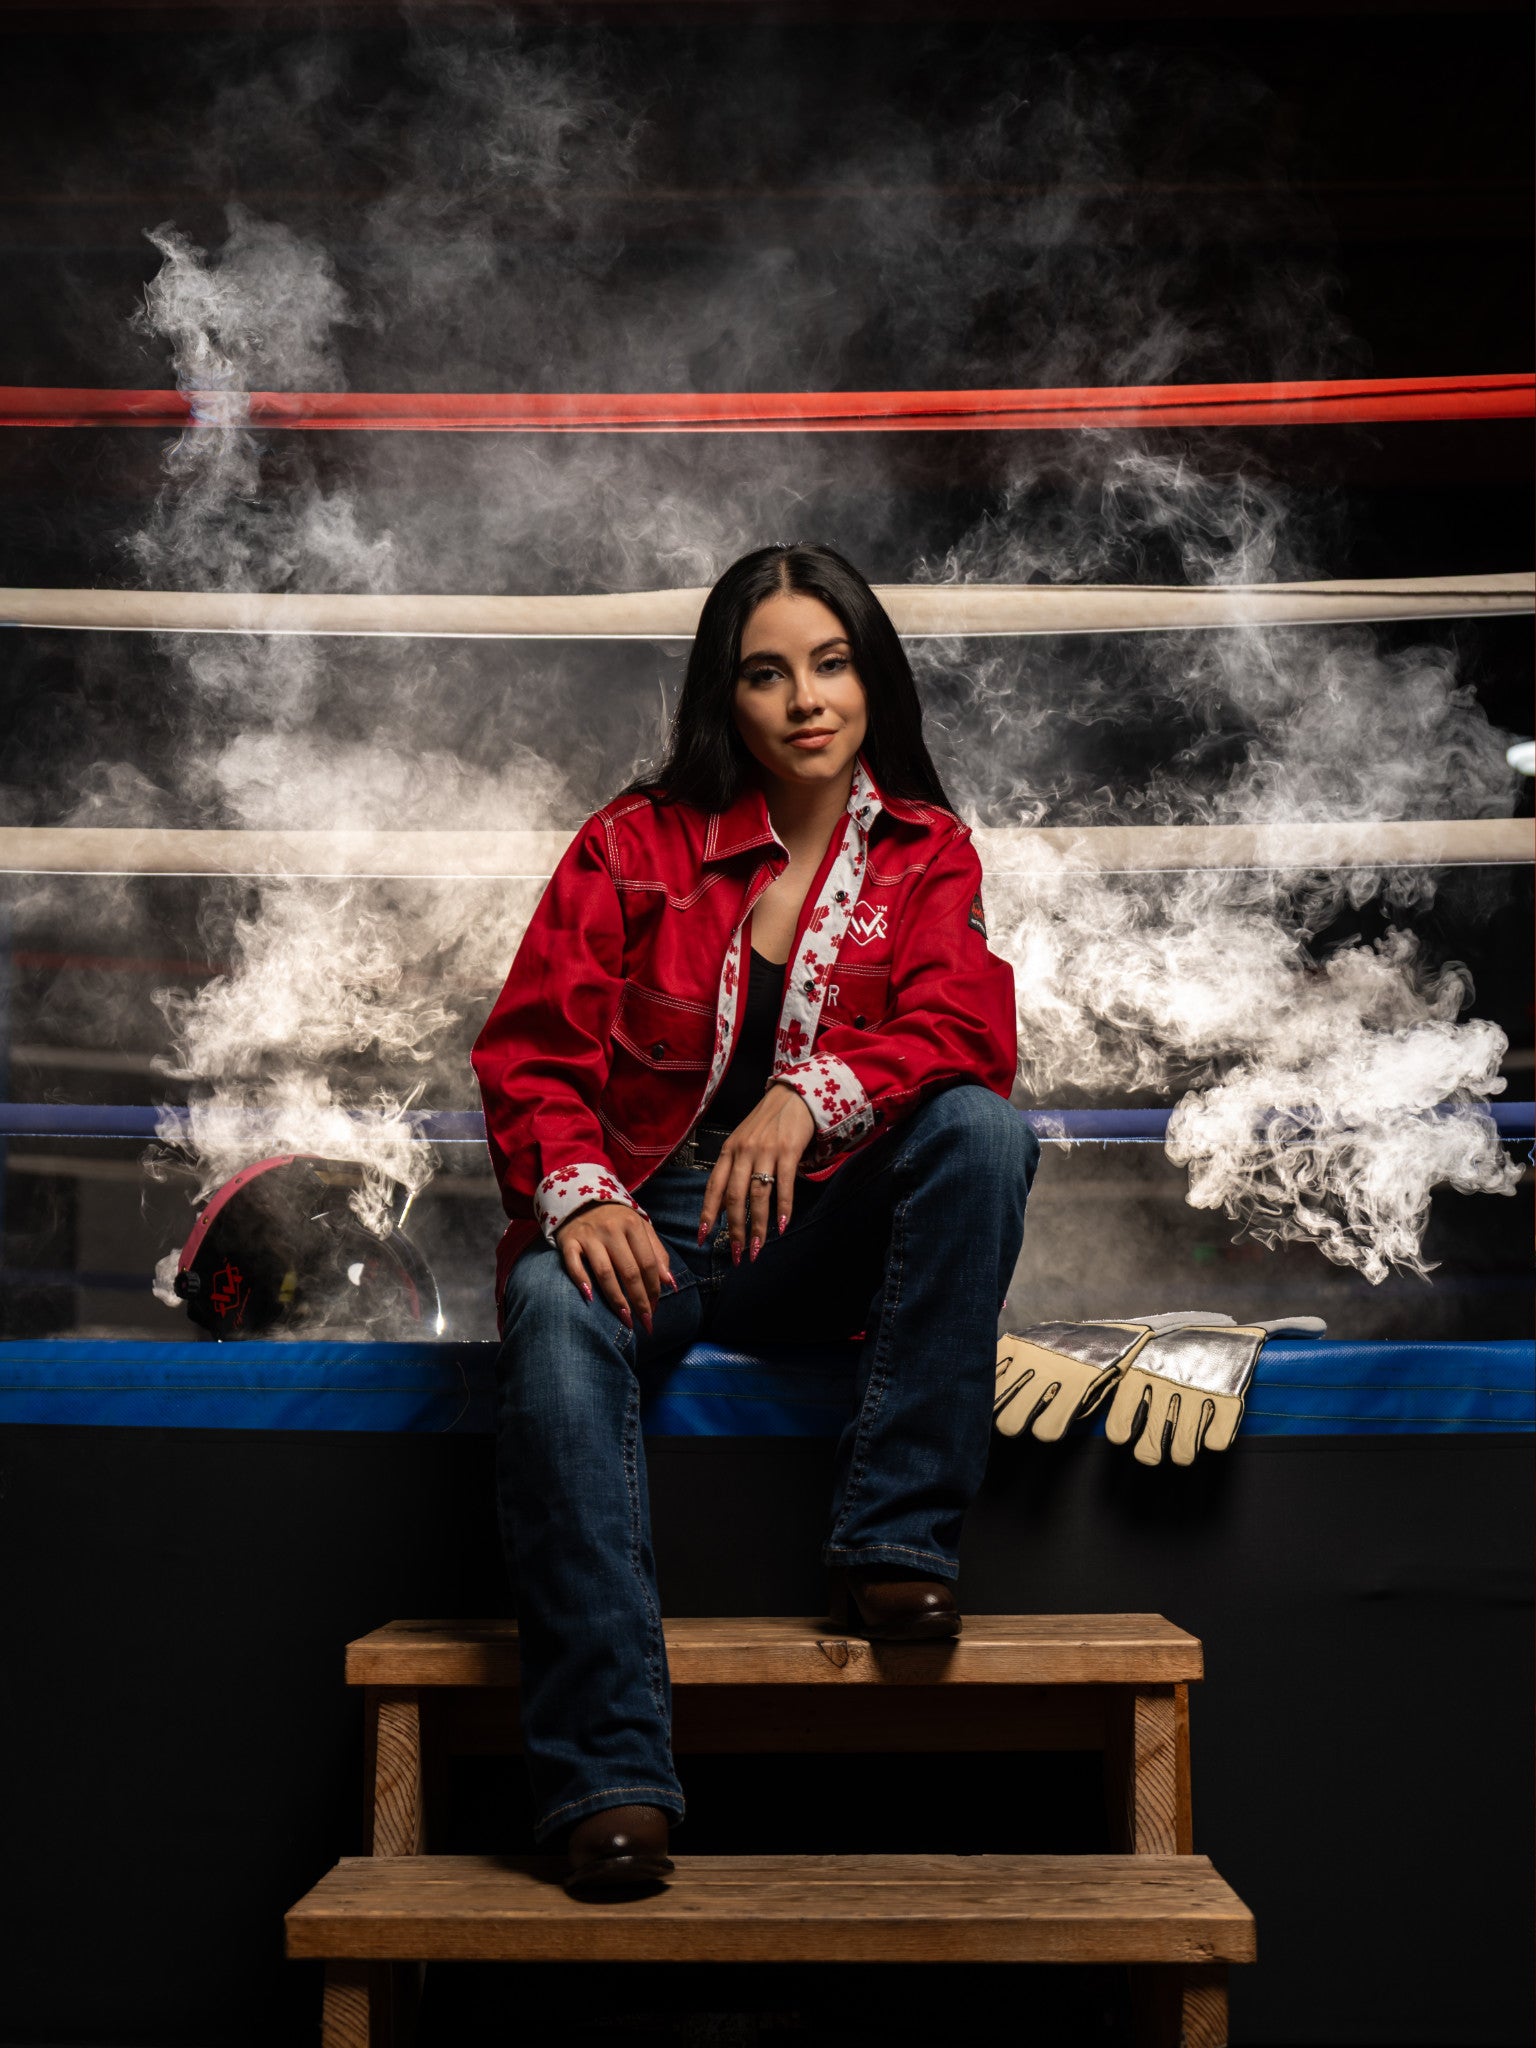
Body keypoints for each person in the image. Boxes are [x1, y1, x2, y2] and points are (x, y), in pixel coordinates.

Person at [472, 542, 1038, 1895]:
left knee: (981, 1130)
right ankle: (608, 1779)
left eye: (832, 664)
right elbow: (530, 1056)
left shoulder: (926, 852)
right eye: (766, 673)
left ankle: (896, 1543)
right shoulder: (630, 843)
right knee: (552, 1303)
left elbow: (967, 1026)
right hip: (648, 1228)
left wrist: (812, 1098)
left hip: (809, 1223)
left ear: (870, 677)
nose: (805, 700)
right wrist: (583, 1189)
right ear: (722, 700)